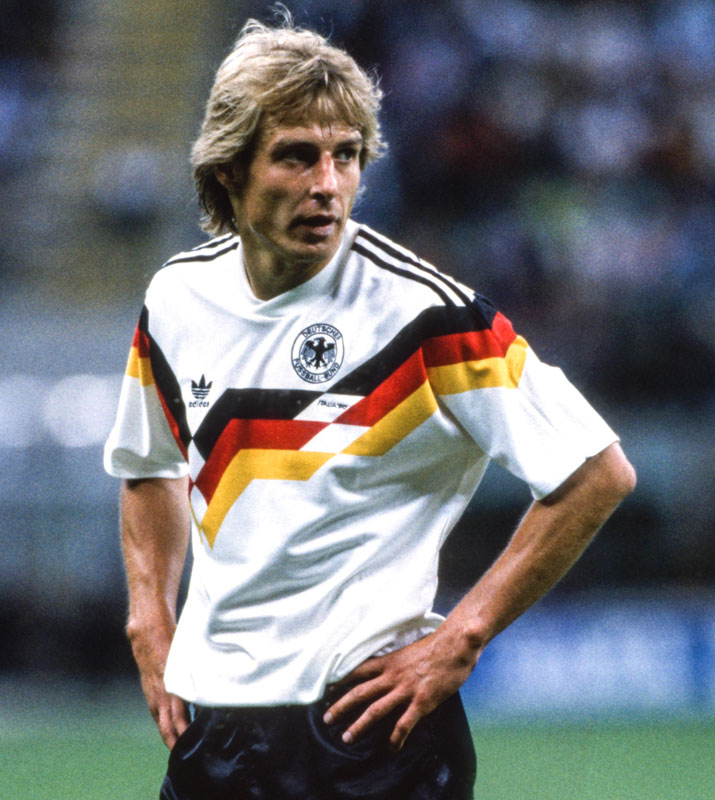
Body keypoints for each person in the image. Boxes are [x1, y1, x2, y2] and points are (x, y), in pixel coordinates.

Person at [104, 15, 636, 800]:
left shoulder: (426, 315)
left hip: (369, 731)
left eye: (346, 155)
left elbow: (596, 472)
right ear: (228, 169)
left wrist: (462, 637)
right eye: (296, 155)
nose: (327, 183)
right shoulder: (176, 298)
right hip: (214, 729)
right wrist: (149, 617)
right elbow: (149, 467)